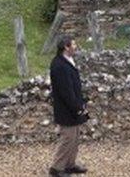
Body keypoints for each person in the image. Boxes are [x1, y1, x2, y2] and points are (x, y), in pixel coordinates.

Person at [49, 35, 89, 176]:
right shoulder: (59, 65)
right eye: (73, 44)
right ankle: (57, 168)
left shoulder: (67, 61)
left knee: (75, 137)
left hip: (74, 106)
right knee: (67, 138)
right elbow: (66, 91)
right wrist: (77, 107)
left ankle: (70, 164)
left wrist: (81, 104)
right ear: (66, 47)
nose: (76, 46)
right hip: (66, 109)